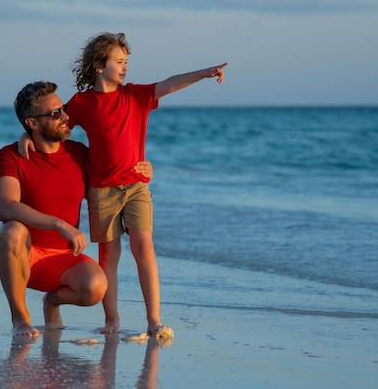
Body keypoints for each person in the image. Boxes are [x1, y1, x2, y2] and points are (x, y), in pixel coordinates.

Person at [20, 32, 228, 336]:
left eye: (126, 61)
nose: (126, 67)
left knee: (144, 248)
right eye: (119, 61)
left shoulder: (135, 96)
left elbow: (169, 83)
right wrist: (27, 135)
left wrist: (204, 73)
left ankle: (153, 319)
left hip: (137, 186)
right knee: (109, 257)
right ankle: (112, 320)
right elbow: (54, 122)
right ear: (99, 66)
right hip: (101, 192)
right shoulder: (81, 102)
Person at [0, 80, 154, 337]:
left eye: (64, 109)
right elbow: (5, 207)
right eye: (56, 114)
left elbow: (110, 183)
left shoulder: (79, 153)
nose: (66, 117)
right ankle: (20, 318)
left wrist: (141, 171)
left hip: (62, 260)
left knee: (95, 286)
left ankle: (52, 302)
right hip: (22, 255)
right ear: (32, 123)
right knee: (11, 230)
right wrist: (59, 223)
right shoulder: (9, 156)